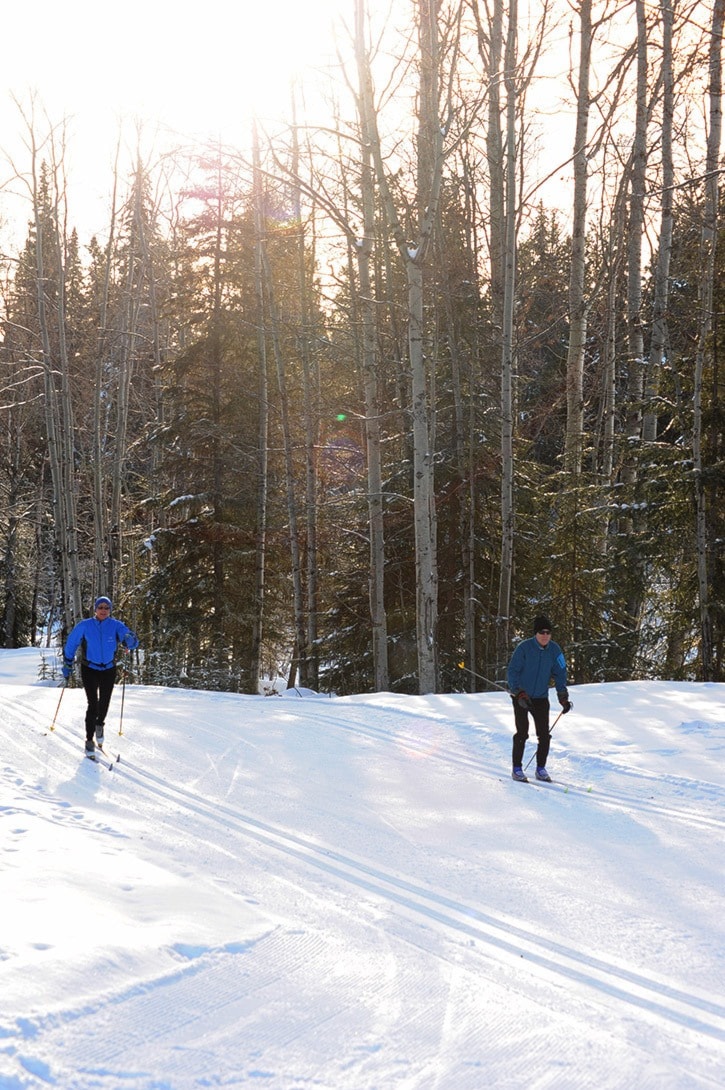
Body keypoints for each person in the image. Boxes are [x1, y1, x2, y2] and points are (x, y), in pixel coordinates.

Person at [62, 596, 139, 757]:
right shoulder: (85, 625)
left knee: (104, 702)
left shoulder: (116, 625)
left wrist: (129, 640)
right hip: (89, 668)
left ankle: (99, 725)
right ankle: (89, 739)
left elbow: (131, 641)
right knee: (93, 704)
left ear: (110, 610)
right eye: (100, 607)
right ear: (95, 609)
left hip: (109, 669)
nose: (103, 610)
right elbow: (72, 643)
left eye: (106, 608)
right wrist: (67, 662)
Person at [507, 614, 572, 782]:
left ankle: (541, 768)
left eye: (548, 632)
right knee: (522, 732)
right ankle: (517, 768)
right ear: (535, 633)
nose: (545, 636)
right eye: (542, 632)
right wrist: (518, 692)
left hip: (541, 697)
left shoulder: (555, 650)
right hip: (522, 696)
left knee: (544, 734)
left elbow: (560, 673)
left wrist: (562, 696)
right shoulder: (524, 648)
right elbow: (513, 671)